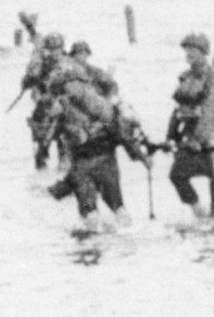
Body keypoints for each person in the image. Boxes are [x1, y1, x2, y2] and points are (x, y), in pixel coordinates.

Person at [167, 33, 214, 218]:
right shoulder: (186, 77)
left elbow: (213, 109)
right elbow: (179, 110)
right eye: (186, 50)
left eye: (193, 50)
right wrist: (171, 137)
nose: (188, 54)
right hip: (195, 140)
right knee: (177, 175)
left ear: (204, 52)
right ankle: (198, 212)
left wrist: (199, 137)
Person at [47, 80, 149, 218]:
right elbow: (122, 137)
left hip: (90, 165)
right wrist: (142, 157)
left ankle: (95, 235)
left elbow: (47, 138)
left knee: (96, 210)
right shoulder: (104, 110)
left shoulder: (68, 111)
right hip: (101, 164)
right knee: (113, 208)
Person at [20, 31, 69, 168]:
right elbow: (27, 81)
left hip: (63, 110)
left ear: (61, 48)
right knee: (40, 153)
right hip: (44, 108)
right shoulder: (41, 64)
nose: (55, 52)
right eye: (52, 49)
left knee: (64, 152)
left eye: (57, 48)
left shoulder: (69, 64)